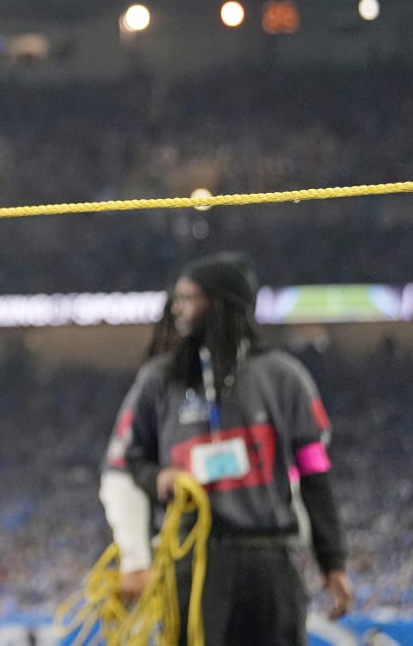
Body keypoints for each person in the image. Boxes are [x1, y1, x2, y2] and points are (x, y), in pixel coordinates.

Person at [120, 253, 351, 645]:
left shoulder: (283, 376)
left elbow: (315, 474)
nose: (177, 309)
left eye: (188, 298)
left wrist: (333, 562)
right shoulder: (159, 379)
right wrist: (158, 478)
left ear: (219, 304)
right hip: (194, 558)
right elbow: (133, 457)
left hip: (269, 558)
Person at [101, 303, 178, 604]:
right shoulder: (158, 383)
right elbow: (119, 470)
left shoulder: (259, 378)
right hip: (185, 554)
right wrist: (135, 559)